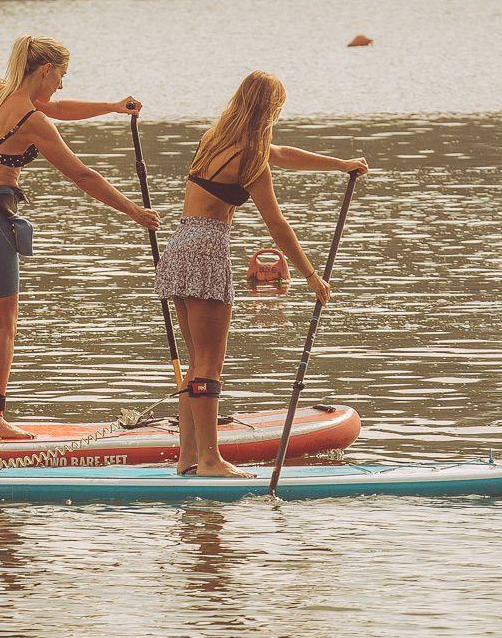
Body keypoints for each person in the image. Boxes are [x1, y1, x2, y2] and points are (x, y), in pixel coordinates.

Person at [0, 35, 157, 440]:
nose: (61, 84)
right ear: (45, 70)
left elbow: (56, 107)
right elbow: (82, 175)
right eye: (61, 75)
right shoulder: (32, 123)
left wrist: (111, 107)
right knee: (3, 327)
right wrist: (134, 211)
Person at [153, 71, 367, 476]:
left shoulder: (213, 138)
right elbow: (277, 224)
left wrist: (340, 165)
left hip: (180, 245)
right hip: (207, 251)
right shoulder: (250, 158)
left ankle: (188, 458)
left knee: (196, 359)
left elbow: (281, 153)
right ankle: (211, 460)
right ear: (269, 110)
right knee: (209, 364)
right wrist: (310, 275)